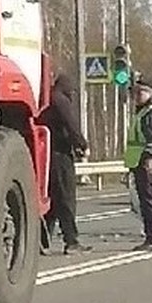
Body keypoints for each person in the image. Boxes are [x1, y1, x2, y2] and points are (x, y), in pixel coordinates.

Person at [42, 73, 92, 255]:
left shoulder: (47, 98)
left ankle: (43, 240)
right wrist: (81, 144)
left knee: (52, 199)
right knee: (66, 198)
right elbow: (71, 125)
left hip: (46, 153)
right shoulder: (60, 100)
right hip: (60, 154)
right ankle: (71, 241)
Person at [125, 76, 152, 251]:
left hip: (148, 161)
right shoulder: (144, 110)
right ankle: (151, 235)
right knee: (146, 201)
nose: (137, 95)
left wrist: (150, 156)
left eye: (141, 92)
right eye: (136, 92)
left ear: (150, 92)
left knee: (151, 200)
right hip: (140, 161)